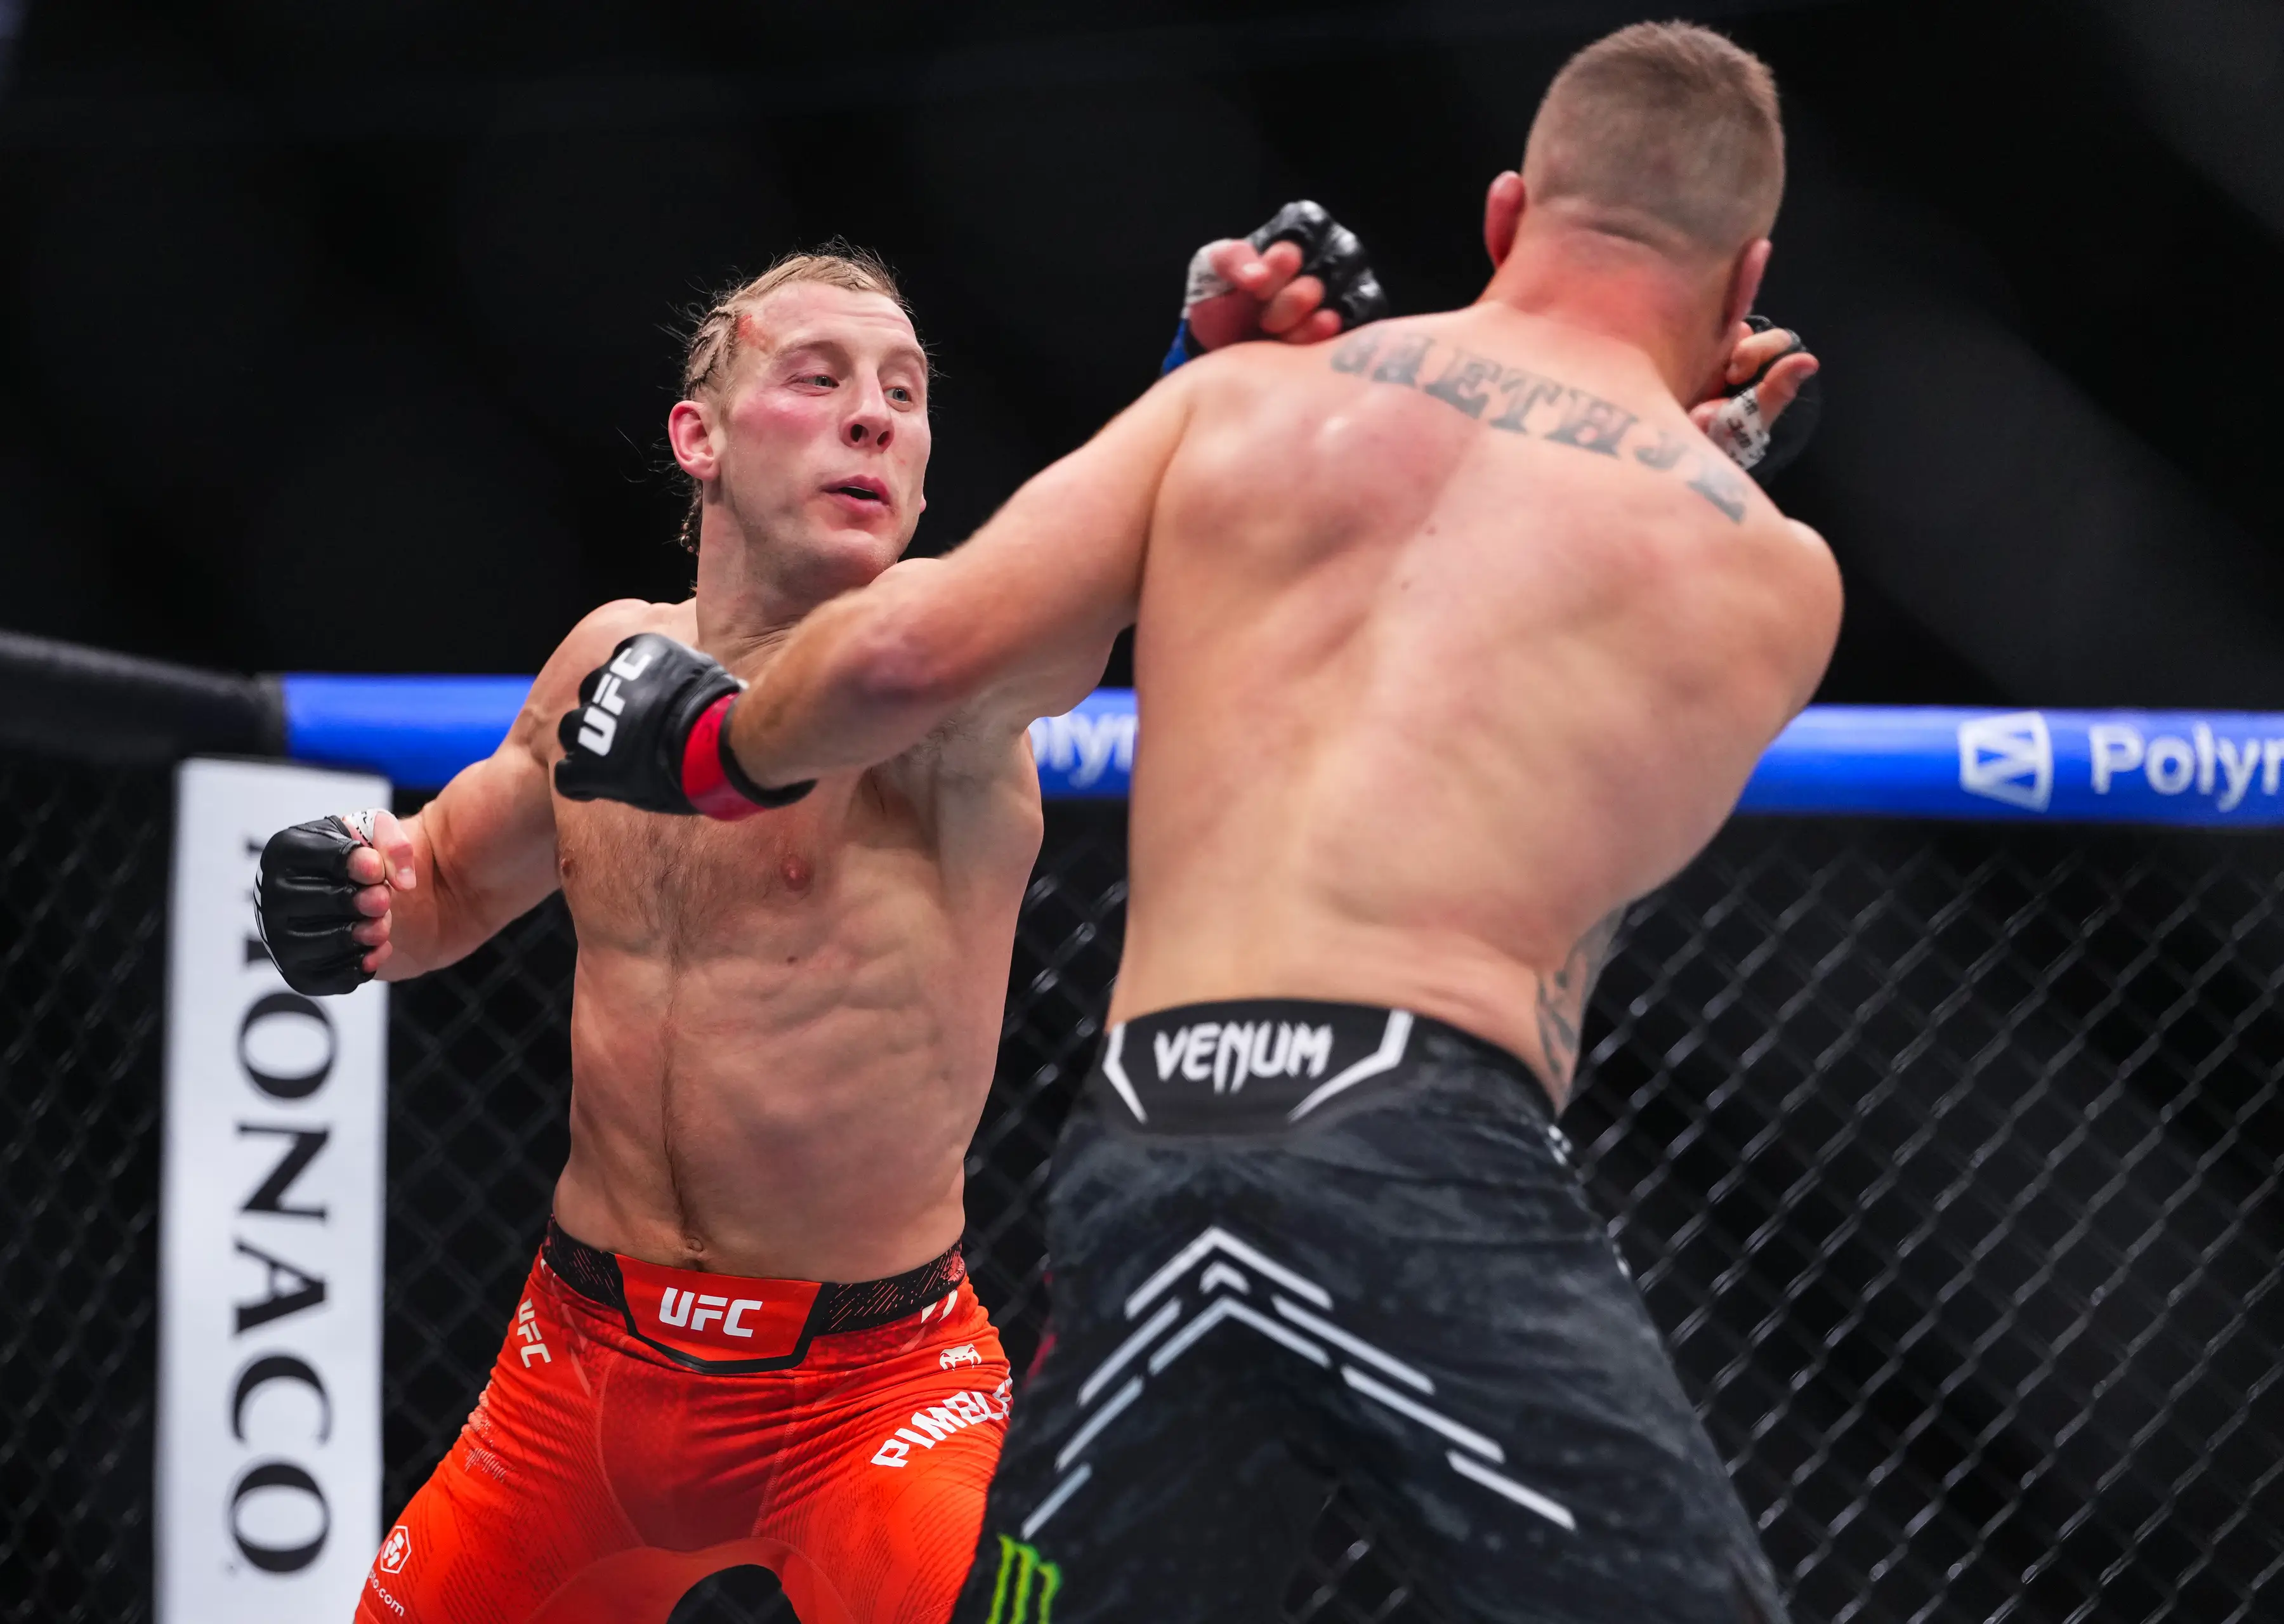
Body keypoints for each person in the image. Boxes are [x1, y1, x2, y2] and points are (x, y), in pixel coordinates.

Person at [591, 23, 1839, 1623]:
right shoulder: (1760, 567)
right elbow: (1583, 772)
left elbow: (913, 648)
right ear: (1748, 285)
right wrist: (1710, 457)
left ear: (1509, 212)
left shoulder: (1244, 407)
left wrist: (712, 746)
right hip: (1416, 1149)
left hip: (1154, 1140)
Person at [252, 228, 1362, 1623]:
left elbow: (1085, 594)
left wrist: (1199, 388)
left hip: (870, 1391)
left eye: (904, 392)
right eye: (821, 377)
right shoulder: (607, 660)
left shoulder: (933, 681)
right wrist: (352, 896)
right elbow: (448, 887)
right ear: (697, 436)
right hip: (578, 1367)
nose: (872, 415)